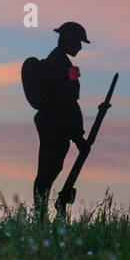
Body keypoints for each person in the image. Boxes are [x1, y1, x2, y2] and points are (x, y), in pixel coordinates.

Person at [32, 22, 91, 215]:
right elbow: (66, 104)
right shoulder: (58, 64)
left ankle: (42, 214)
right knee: (47, 172)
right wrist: (78, 136)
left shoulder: (64, 64)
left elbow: (71, 100)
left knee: (52, 169)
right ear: (68, 40)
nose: (80, 47)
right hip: (54, 127)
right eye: (78, 42)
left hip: (57, 126)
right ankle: (40, 215)